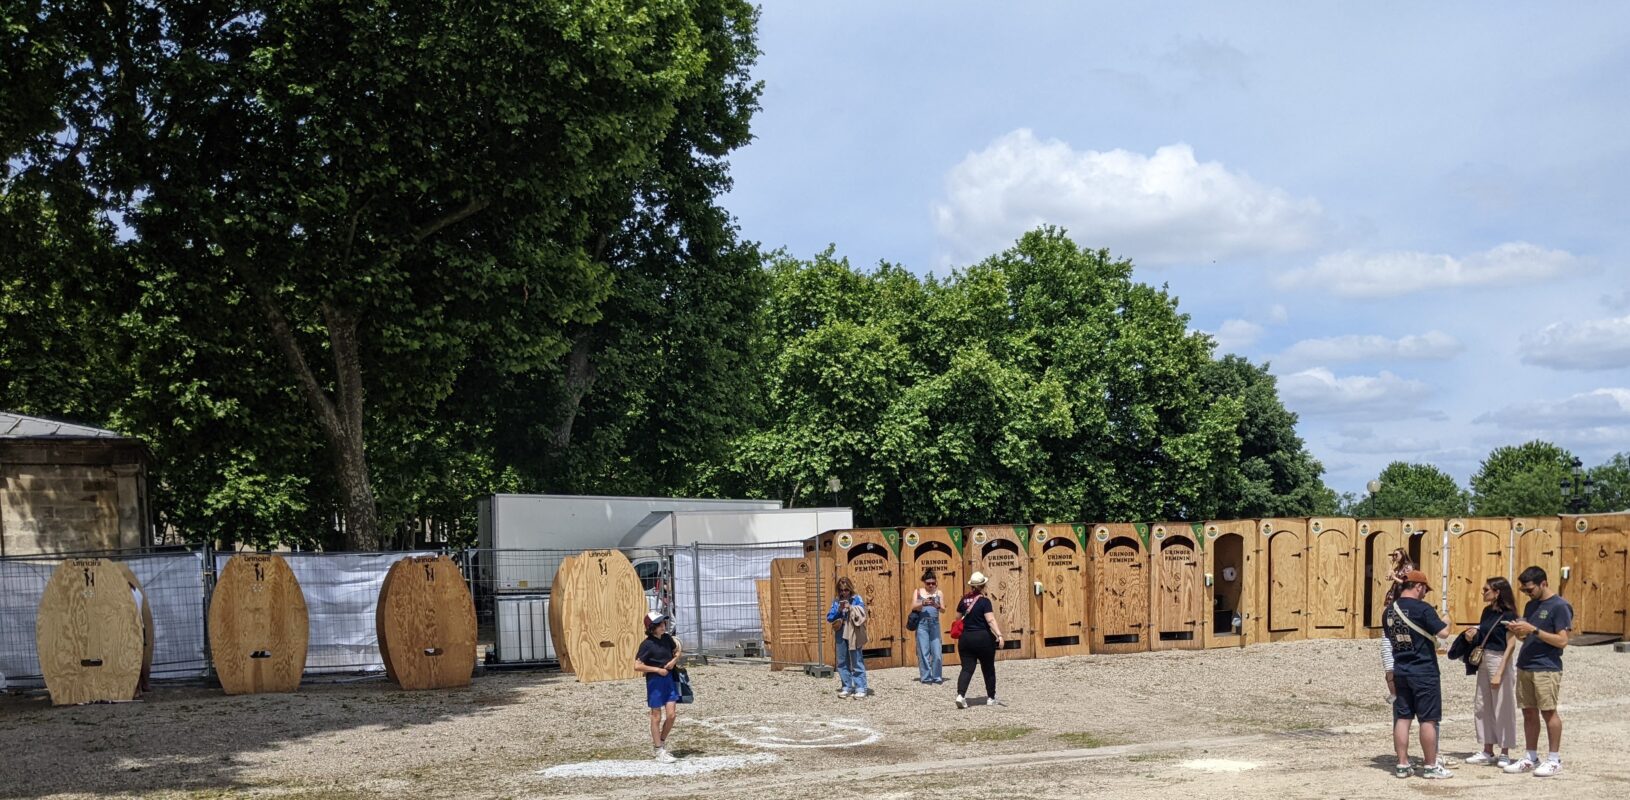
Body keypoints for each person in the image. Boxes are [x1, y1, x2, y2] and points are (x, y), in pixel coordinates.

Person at [1502, 566, 1573, 777]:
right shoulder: (1531, 605)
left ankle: (1554, 759)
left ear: (1543, 583)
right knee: (1528, 712)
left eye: (1530, 589)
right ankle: (1531, 756)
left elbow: (1562, 641)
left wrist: (1534, 630)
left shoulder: (1560, 606)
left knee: (1549, 712)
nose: (1527, 593)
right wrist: (1518, 631)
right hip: (1526, 664)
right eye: (1524, 590)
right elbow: (1528, 637)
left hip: (1546, 667)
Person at [1384, 569, 1454, 779]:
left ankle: (1402, 764)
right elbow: (1443, 633)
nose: (1425, 593)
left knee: (1403, 718)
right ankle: (1431, 766)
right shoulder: (1423, 609)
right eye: (1424, 589)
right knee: (1428, 720)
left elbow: (1389, 637)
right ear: (1418, 586)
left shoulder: (1389, 611)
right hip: (1424, 670)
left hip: (1401, 670)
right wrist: (1448, 619)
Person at [1459, 577, 1519, 766]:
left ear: (1497, 592)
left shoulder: (1508, 614)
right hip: (1485, 659)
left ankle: (1504, 750)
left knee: (1503, 706)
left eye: (1486, 589)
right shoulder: (1486, 612)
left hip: (1500, 659)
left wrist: (1500, 672)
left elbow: (1511, 644)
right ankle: (1487, 749)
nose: (1482, 592)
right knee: (1482, 705)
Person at [633, 611, 683, 763]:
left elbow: (677, 651)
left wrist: (674, 661)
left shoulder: (668, 639)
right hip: (655, 681)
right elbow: (637, 666)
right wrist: (657, 670)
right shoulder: (647, 645)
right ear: (651, 627)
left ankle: (661, 742)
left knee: (671, 715)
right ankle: (659, 749)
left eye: (664, 623)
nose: (663, 626)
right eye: (660, 624)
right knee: (656, 716)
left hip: (669, 679)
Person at [953, 571, 1005, 710]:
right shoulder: (984, 601)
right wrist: (999, 635)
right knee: (988, 668)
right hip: (983, 639)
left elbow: (957, 618)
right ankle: (991, 697)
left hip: (966, 639)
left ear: (971, 586)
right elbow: (990, 620)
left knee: (967, 668)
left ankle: (960, 695)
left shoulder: (963, 600)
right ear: (983, 585)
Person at [1379, 547, 1415, 703]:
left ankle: (1401, 691)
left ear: (1403, 554)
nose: (1394, 556)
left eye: (1396, 554)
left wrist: (1395, 577)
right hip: (1392, 600)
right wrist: (1391, 573)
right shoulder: (1398, 567)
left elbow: (1407, 583)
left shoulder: (1408, 567)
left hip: (1401, 601)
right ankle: (1394, 692)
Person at [825, 577, 869, 699]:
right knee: (842, 660)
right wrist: (839, 610)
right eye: (841, 590)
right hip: (840, 630)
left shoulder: (856, 599)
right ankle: (847, 686)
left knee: (856, 659)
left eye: (846, 590)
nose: (843, 592)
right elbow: (829, 617)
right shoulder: (836, 601)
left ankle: (860, 687)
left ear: (850, 589)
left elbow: (863, 613)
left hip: (853, 631)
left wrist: (851, 608)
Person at [912, 569, 945, 684]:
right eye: (928, 583)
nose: (931, 585)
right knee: (923, 652)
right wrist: (923, 603)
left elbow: (944, 610)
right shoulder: (918, 592)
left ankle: (937, 677)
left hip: (935, 624)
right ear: (924, 583)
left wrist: (937, 605)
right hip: (922, 624)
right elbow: (913, 606)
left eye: (933, 583)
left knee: (937, 652)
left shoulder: (939, 593)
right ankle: (926, 677)